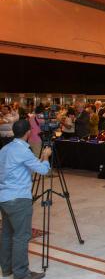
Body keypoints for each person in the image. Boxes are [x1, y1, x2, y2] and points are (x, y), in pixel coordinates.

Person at [0, 119, 51, 279]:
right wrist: (46, 156)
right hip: (19, 198)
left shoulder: (5, 149)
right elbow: (43, 170)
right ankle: (21, 273)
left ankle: (7, 269)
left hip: (4, 197)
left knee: (7, 235)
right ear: (28, 132)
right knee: (21, 236)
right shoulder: (23, 150)